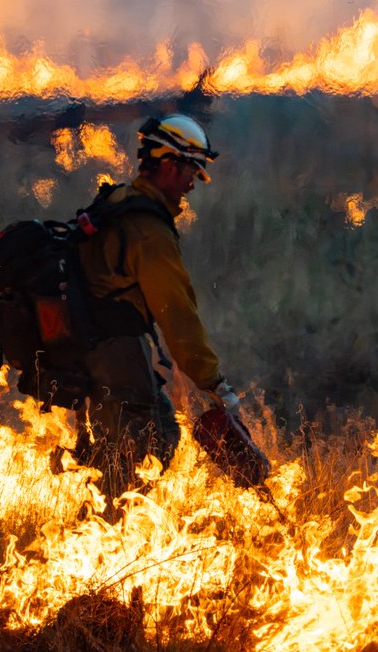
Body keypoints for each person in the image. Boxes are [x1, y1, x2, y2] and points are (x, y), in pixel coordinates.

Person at [72, 113, 240, 510]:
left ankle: (101, 519)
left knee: (156, 431)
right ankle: (102, 529)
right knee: (146, 446)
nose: (192, 184)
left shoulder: (118, 202)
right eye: (191, 172)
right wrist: (213, 382)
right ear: (169, 165)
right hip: (116, 353)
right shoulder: (149, 230)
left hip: (93, 348)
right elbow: (177, 313)